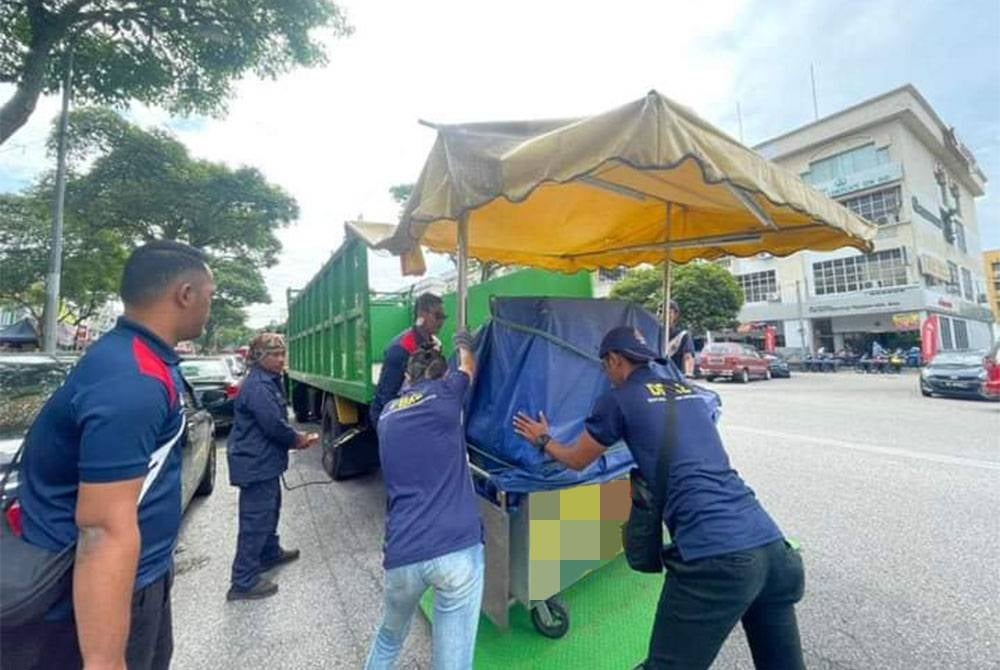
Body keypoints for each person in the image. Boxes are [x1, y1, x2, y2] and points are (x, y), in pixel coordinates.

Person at [514, 327, 805, 670]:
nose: (605, 374)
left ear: (615, 360)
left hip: (716, 556)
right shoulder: (687, 391)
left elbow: (578, 460)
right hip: (773, 548)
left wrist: (543, 439)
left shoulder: (618, 400)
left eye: (605, 366)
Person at [5, 241, 215, 670]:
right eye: (210, 296)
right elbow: (102, 530)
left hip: (143, 579)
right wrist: (104, 660)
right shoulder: (132, 380)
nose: (210, 307)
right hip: (101, 600)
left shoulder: (139, 360)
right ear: (186, 295)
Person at [365, 329, 483, 670]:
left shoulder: (387, 415)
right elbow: (469, 368)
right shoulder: (446, 396)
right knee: (453, 662)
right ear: (442, 375)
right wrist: (464, 345)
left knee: (388, 639)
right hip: (455, 548)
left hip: (402, 553)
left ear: (406, 378)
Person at [227, 333, 319, 601]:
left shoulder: (267, 381)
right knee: (255, 520)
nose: (281, 360)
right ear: (258, 358)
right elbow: (272, 424)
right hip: (255, 464)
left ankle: (269, 553)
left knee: (270, 510)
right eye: (274, 355)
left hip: (263, 462)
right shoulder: (258, 386)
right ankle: (242, 581)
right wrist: (298, 439)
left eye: (282, 354)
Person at [369, 292, 446, 424]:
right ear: (422, 314)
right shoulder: (400, 348)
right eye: (438, 316)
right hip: (393, 418)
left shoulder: (435, 344)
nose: (441, 321)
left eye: (444, 317)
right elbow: (387, 398)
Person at [664, 299, 695, 376]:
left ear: (675, 314)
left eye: (668, 312)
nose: (663, 315)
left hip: (675, 377)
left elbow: (688, 357)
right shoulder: (653, 334)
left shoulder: (682, 335)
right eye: (660, 312)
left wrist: (688, 373)